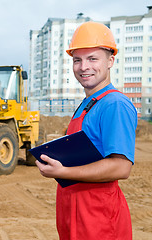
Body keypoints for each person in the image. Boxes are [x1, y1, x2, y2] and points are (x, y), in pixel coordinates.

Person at [35, 21, 137, 240]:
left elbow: (121, 167)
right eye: (77, 60)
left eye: (93, 59)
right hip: (76, 213)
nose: (83, 67)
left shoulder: (114, 104)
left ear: (110, 60)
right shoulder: (89, 103)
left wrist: (63, 172)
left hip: (98, 218)